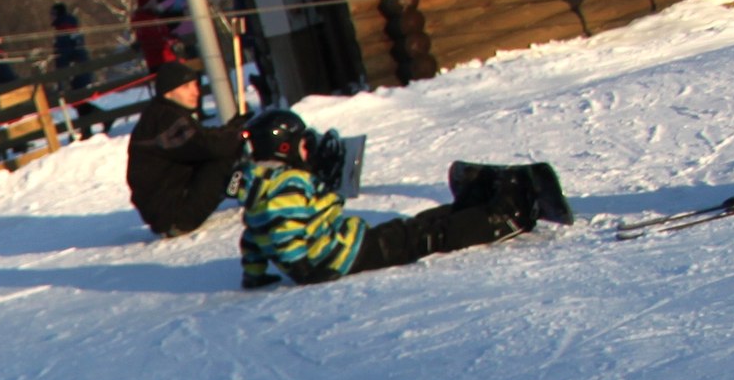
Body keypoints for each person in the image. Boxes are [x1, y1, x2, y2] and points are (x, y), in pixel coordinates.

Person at [238, 109, 562, 287]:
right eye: (303, 145)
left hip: (341, 248)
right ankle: (500, 218)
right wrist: (304, 267)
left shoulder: (260, 188)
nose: (309, 151)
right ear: (285, 148)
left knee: (413, 228)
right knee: (423, 237)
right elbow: (284, 232)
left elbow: (253, 237)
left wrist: (254, 275)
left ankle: (469, 210)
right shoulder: (290, 184)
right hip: (338, 256)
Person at [127, 60, 247, 238]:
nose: (195, 92)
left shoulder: (163, 113)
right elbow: (209, 147)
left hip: (167, 210)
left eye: (195, 85)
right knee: (225, 156)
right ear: (168, 92)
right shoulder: (166, 119)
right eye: (186, 87)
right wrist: (240, 134)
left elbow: (201, 139)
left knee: (225, 146)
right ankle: (252, 189)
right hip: (174, 215)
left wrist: (232, 129)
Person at [132, 0, 184, 70]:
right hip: (161, 59)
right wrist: (169, 41)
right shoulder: (144, 18)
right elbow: (152, 37)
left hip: (170, 55)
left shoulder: (170, 2)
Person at [50, 2, 93, 98]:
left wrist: (61, 83)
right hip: (82, 78)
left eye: (52, 14)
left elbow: (63, 58)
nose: (51, 17)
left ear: (57, 14)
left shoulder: (64, 29)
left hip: (76, 82)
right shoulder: (71, 28)